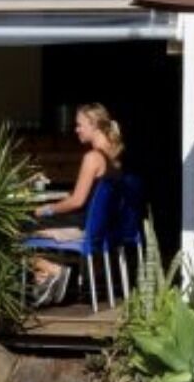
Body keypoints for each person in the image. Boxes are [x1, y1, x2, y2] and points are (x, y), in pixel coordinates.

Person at [25, 103, 127, 305]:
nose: (76, 129)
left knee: (9, 229)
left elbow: (76, 201)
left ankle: (50, 269)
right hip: (97, 226)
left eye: (80, 125)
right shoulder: (115, 159)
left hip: (80, 226)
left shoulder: (93, 158)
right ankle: (45, 277)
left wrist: (43, 210)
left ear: (95, 125)